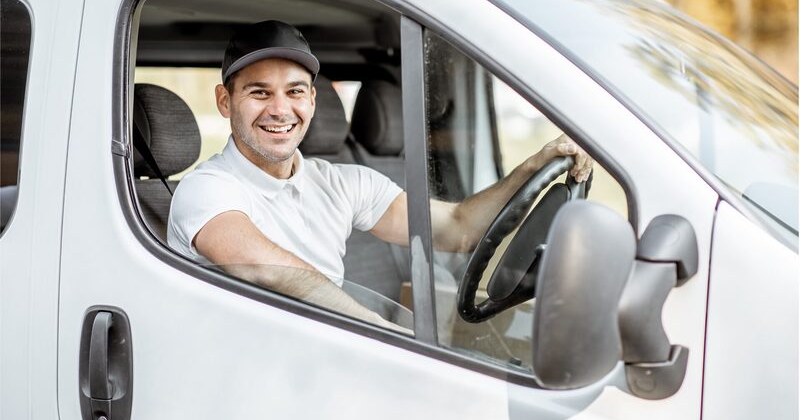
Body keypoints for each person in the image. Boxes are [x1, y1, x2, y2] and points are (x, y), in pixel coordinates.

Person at [167, 20, 592, 334]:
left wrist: (533, 166)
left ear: (313, 101)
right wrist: (384, 336)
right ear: (225, 101)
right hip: (247, 373)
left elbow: (458, 229)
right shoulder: (206, 189)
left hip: (323, 356)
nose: (280, 109)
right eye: (259, 92)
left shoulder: (342, 182)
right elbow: (274, 274)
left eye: (295, 91)